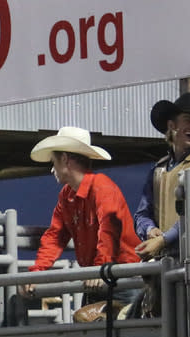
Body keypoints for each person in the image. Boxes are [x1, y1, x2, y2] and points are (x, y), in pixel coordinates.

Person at [20, 126, 141, 298]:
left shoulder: (101, 187)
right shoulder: (68, 195)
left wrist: (100, 267)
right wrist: (37, 271)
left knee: (110, 322)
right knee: (93, 322)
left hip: (122, 277)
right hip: (99, 276)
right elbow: (55, 236)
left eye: (54, 162)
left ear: (64, 159)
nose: (52, 169)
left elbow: (109, 230)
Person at [134, 92, 190, 261]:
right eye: (188, 119)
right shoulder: (158, 169)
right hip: (168, 263)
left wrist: (163, 240)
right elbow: (142, 214)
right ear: (172, 125)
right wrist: (150, 230)